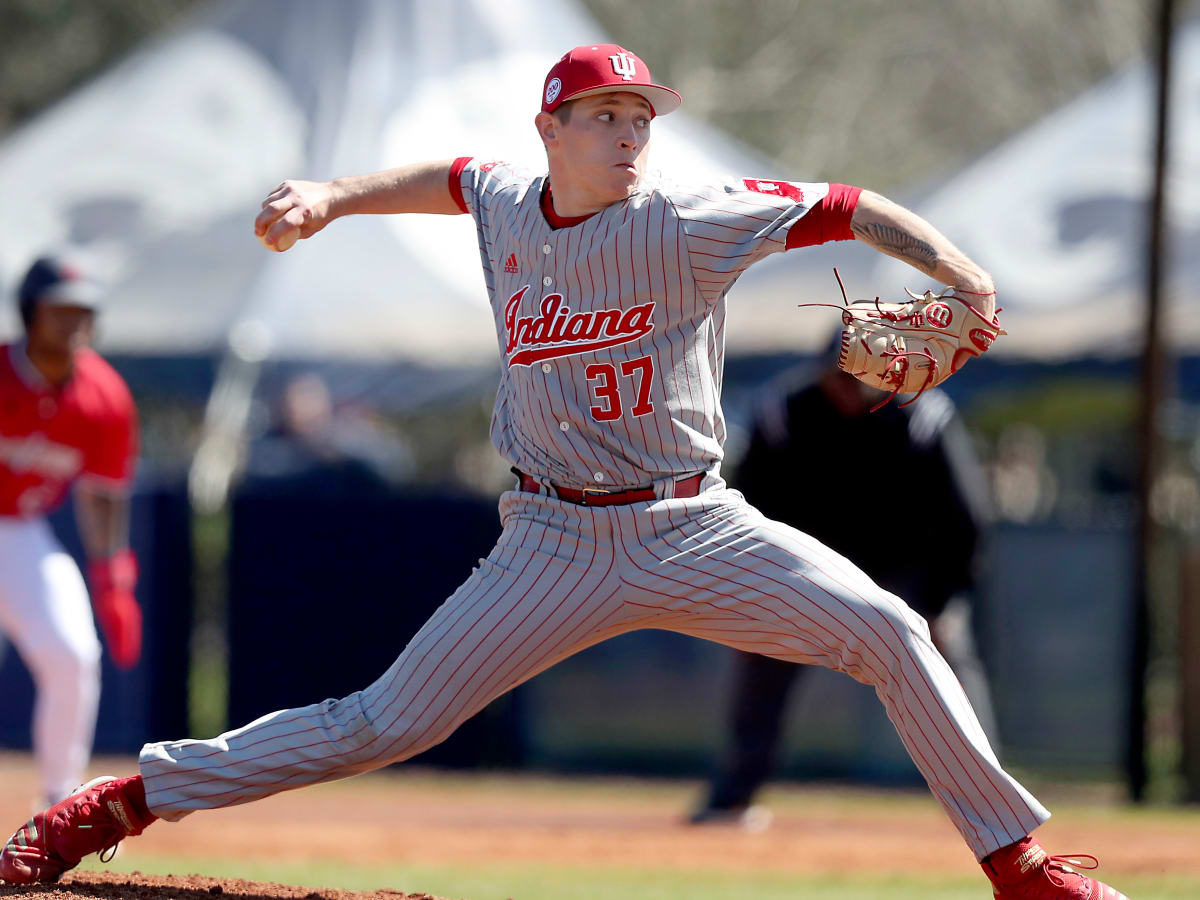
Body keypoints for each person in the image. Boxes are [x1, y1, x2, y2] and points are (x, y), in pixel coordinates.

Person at [1, 45, 1128, 900]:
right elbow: (452, 175)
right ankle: (124, 799)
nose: (631, 132)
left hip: (695, 525)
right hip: (548, 539)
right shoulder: (506, 201)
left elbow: (843, 205)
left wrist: (963, 272)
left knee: (892, 631)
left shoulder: (688, 220)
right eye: (605, 115)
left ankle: (1019, 865)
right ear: (553, 125)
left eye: (641, 115)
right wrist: (334, 197)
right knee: (379, 723)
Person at [689, 351, 999, 828]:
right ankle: (731, 798)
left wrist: (943, 601)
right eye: (837, 373)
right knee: (762, 653)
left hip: (903, 568)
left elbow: (967, 519)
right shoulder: (785, 410)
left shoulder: (922, 414)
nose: (844, 385)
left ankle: (990, 804)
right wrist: (761, 585)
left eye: (856, 375)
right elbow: (744, 499)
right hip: (809, 563)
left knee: (948, 654)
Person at [0, 255, 142, 808]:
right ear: (30, 314)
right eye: (61, 309)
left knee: (73, 653)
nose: (75, 321)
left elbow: (105, 496)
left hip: (19, 531)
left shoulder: (104, 395)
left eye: (85, 310)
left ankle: (59, 806)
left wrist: (114, 577)